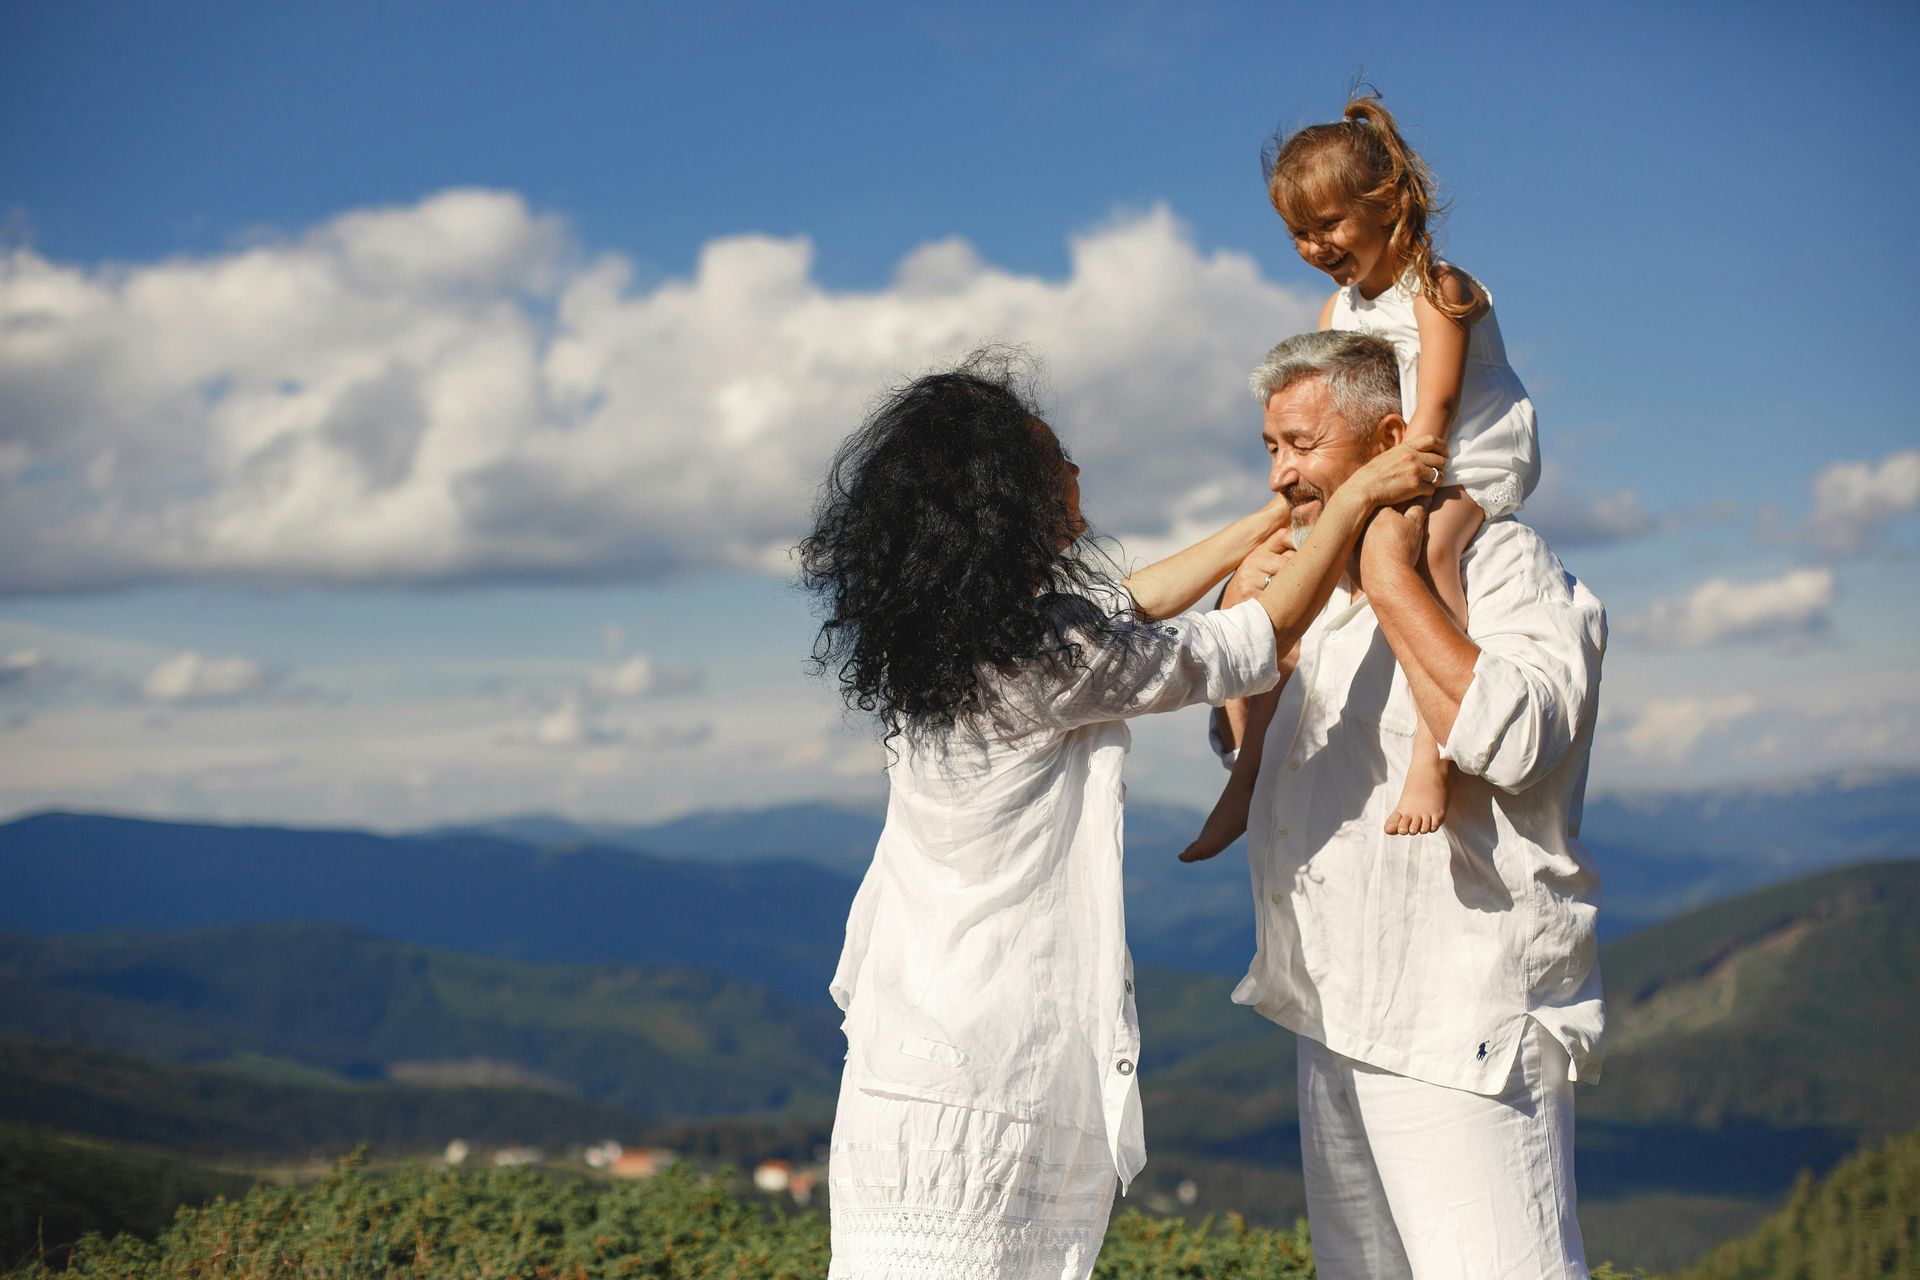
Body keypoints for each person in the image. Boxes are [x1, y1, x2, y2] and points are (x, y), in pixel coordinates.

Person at [801, 348, 1443, 1280]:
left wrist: (1273, 518)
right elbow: (1241, 645)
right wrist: (1343, 506)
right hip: (988, 1080)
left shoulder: (949, 646)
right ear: (1006, 494)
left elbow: (1121, 609)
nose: (1072, 470)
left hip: (903, 1072)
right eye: (1051, 455)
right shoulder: (1039, 653)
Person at [1185, 329, 1606, 1279]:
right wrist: (1250, 664)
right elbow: (1264, 763)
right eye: (1270, 448)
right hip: (1332, 1006)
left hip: (1461, 1023)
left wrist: (1393, 580)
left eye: (1302, 445)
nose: (1282, 476)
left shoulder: (1504, 566)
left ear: (1386, 442)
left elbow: (1526, 738)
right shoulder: (1315, 590)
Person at [1183, 89, 1540, 857]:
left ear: (1388, 204)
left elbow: (1437, 405)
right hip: (1384, 457)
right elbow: (1333, 413)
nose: (1315, 246)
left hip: (1461, 455)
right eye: (1298, 234)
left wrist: (1397, 493)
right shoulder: (1335, 313)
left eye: (1329, 225)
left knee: (1422, 552)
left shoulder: (1438, 291)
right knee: (1283, 578)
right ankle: (1245, 777)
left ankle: (1432, 754)